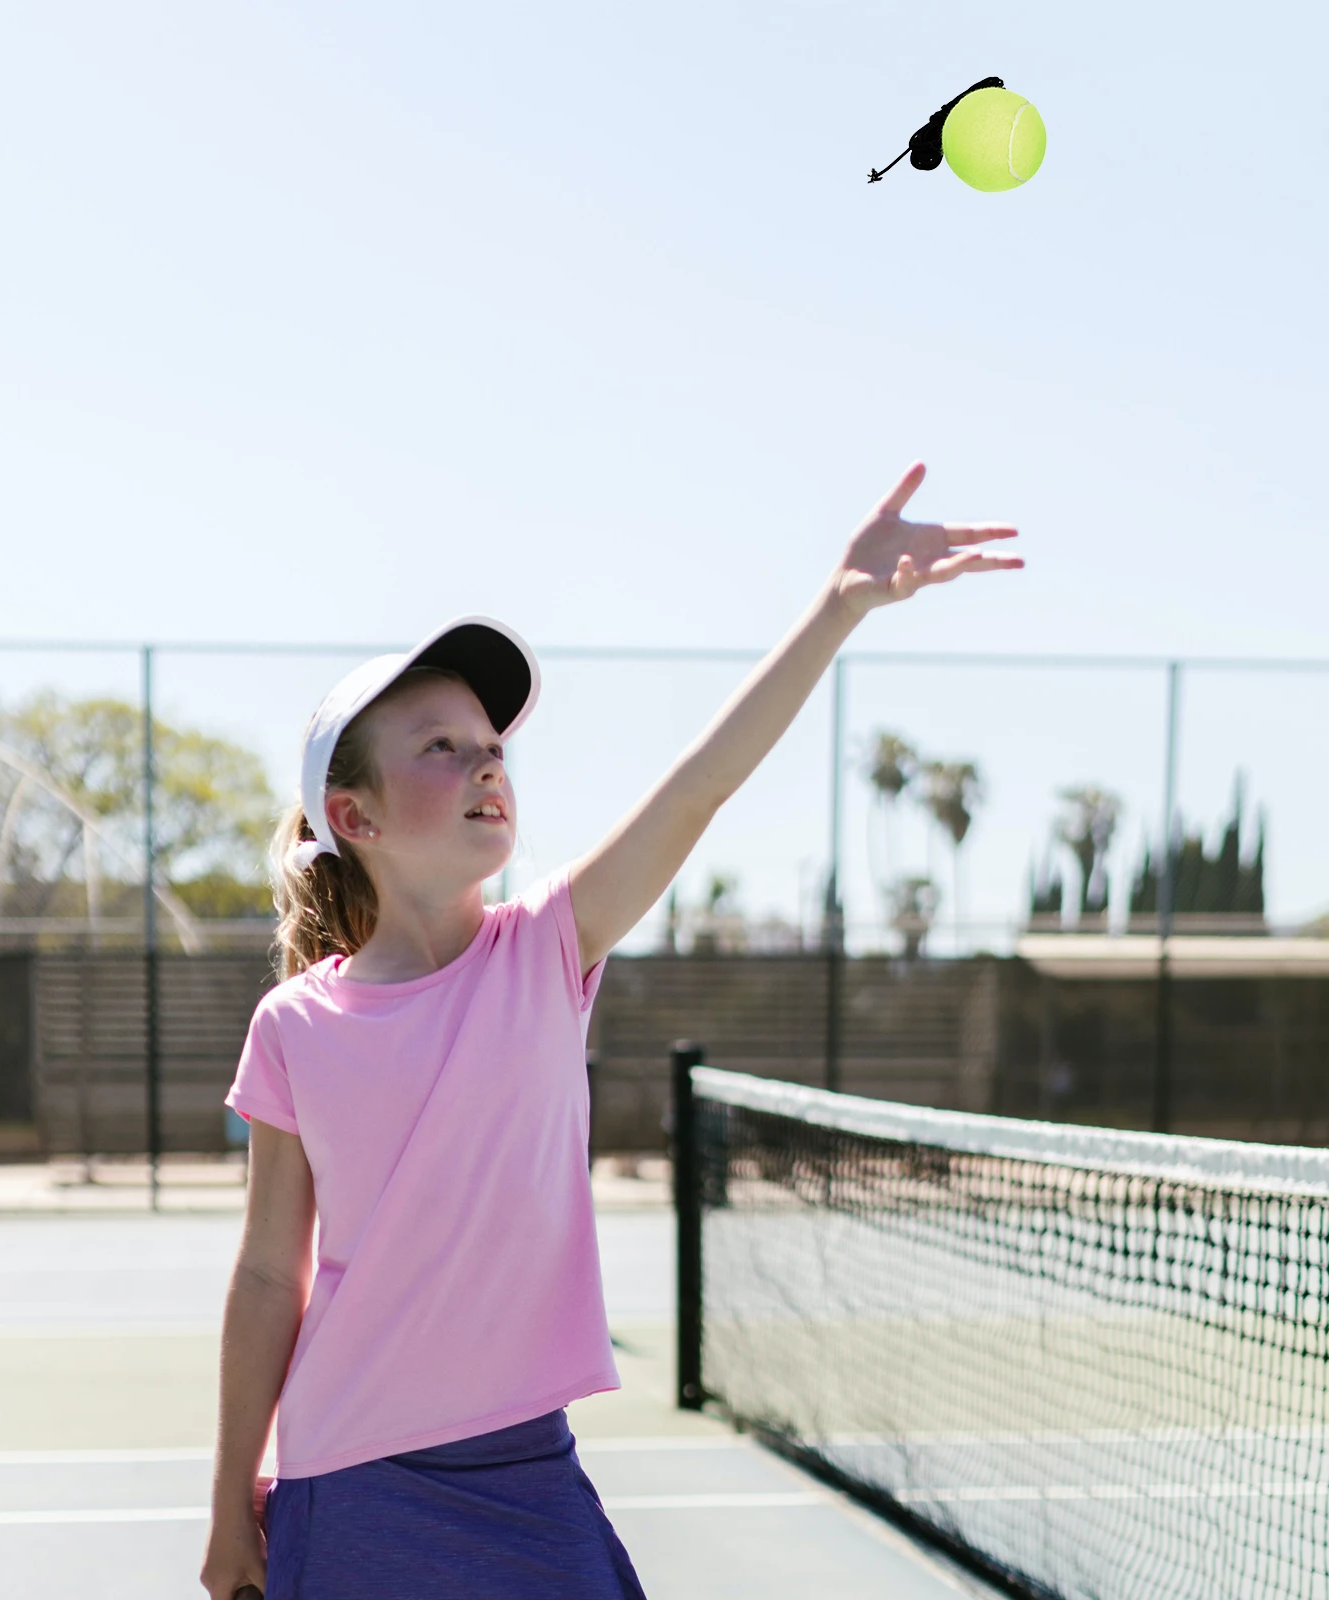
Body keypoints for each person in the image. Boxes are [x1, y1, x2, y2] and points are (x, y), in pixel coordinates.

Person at [200, 462, 1022, 1599]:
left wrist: (836, 608)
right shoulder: (294, 1024)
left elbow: (695, 790)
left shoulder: (545, 949)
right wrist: (228, 1501)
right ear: (355, 817)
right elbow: (263, 1276)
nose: (486, 758)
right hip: (350, 1478)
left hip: (528, 1472)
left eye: (492, 741)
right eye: (439, 745)